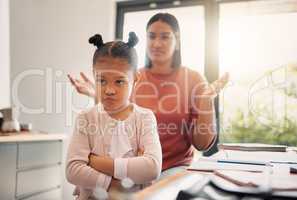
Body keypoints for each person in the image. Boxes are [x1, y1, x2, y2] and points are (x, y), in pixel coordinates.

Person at [68, 13, 228, 179]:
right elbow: (110, 123)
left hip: (174, 167)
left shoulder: (194, 79)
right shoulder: (127, 79)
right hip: (131, 166)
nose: (157, 43)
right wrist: (97, 95)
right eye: (151, 37)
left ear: (177, 40)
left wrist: (205, 103)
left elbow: (202, 145)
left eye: (165, 37)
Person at [66, 32, 162, 200]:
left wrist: (95, 162)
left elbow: (152, 168)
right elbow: (73, 170)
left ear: (136, 78)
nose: (109, 90)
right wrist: (115, 184)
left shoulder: (145, 118)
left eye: (119, 81)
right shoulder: (86, 118)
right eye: (102, 81)